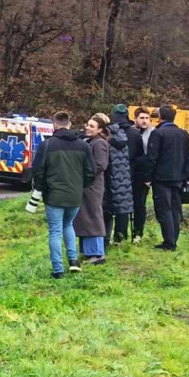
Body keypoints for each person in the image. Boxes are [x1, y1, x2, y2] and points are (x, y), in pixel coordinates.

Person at [32, 111, 96, 279]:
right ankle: (73, 261)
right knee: (68, 225)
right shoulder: (83, 145)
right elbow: (91, 171)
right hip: (74, 195)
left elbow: (37, 171)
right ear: (69, 124)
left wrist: (42, 189)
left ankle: (58, 270)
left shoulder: (47, 145)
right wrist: (80, 186)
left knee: (55, 231)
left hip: (54, 196)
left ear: (54, 125)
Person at [146, 104, 189, 251]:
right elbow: (188, 157)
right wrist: (186, 176)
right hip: (178, 178)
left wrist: (147, 176)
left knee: (164, 209)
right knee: (175, 209)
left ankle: (169, 242)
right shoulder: (184, 134)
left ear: (160, 117)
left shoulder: (158, 133)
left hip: (161, 178)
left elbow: (152, 157)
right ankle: (174, 239)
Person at [75, 113, 110, 264]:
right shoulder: (91, 141)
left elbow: (101, 165)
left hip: (93, 185)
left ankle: (97, 253)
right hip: (87, 184)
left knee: (92, 216)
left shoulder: (99, 143)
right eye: (87, 125)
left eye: (92, 126)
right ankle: (89, 252)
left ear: (100, 129)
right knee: (85, 216)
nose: (87, 128)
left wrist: (83, 172)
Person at [104, 106, 135, 244]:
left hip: (109, 175)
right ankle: (120, 237)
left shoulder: (107, 133)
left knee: (107, 208)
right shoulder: (134, 133)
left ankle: (105, 238)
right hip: (129, 175)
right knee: (124, 206)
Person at [130, 107, 155, 242]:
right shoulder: (131, 132)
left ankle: (138, 233)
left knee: (140, 204)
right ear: (135, 119)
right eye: (142, 118)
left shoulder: (153, 133)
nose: (144, 121)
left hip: (144, 173)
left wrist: (149, 176)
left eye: (147, 118)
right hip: (131, 171)